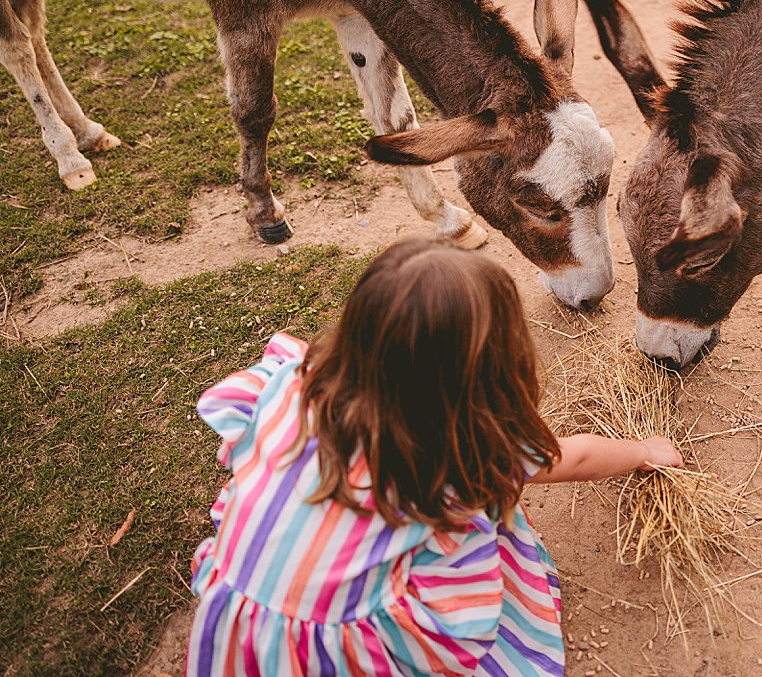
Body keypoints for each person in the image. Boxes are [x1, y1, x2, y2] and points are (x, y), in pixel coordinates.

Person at [186, 238, 681, 676]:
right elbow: (574, 458)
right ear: (483, 372)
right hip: (322, 650)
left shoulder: (291, 382)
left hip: (235, 628)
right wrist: (642, 451)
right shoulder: (458, 453)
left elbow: (239, 452)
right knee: (482, 527)